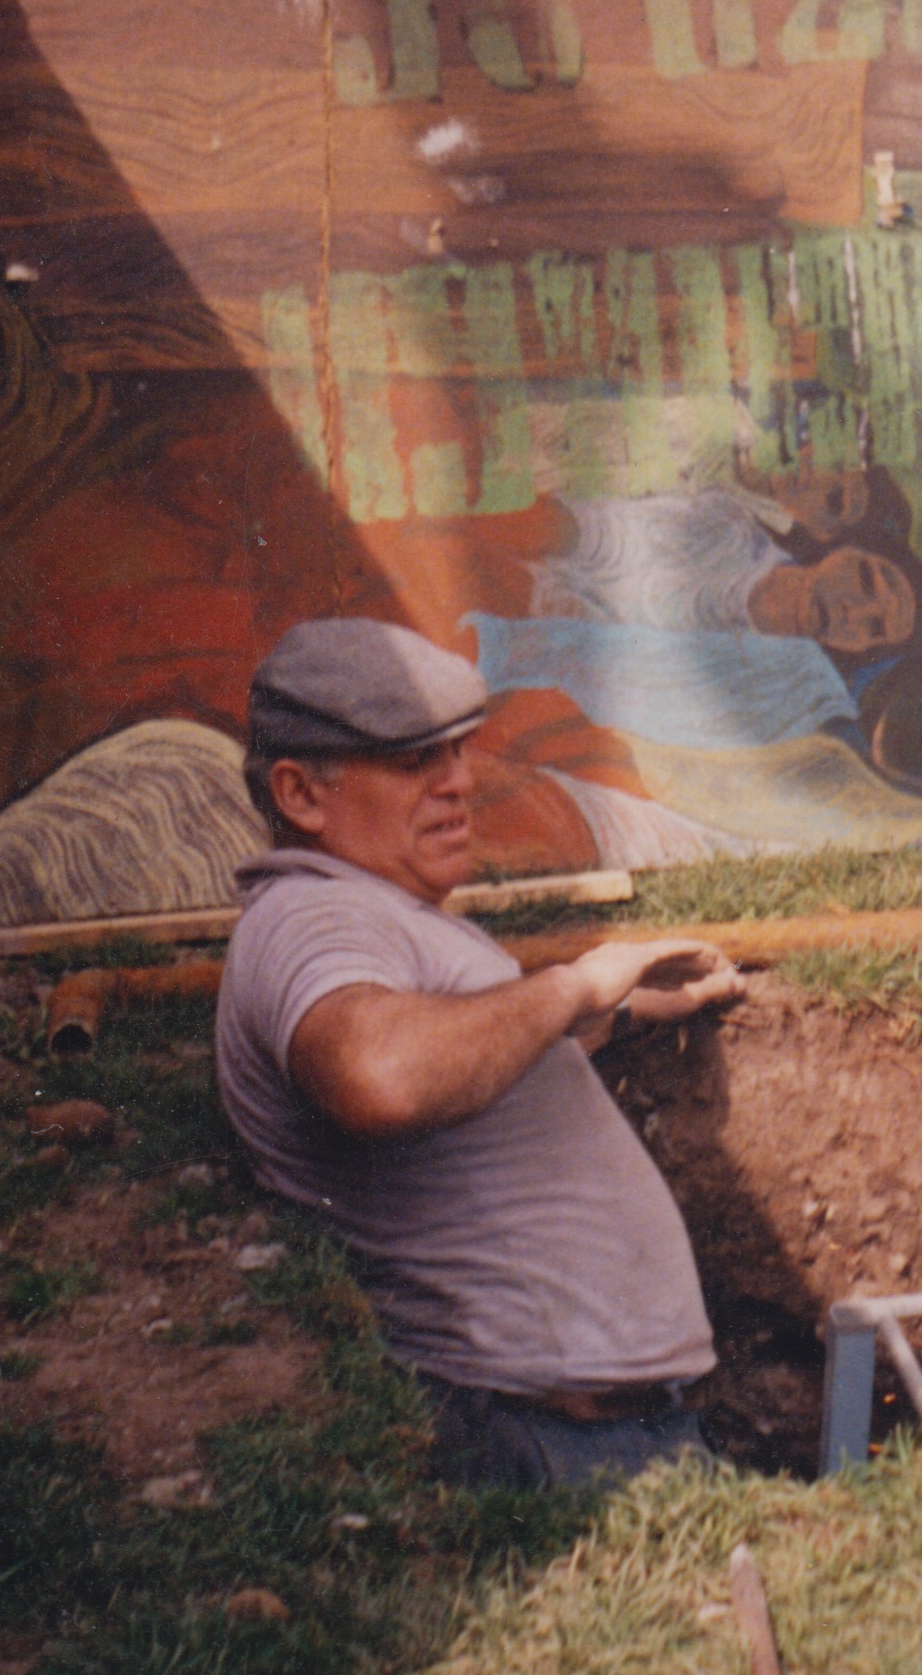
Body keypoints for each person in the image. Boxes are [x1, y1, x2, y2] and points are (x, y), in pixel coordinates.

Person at [214, 617, 748, 1489]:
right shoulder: (311, 919)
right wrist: (577, 983)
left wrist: (629, 1007)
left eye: (457, 752)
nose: (458, 782)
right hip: (542, 1447)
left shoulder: (367, 913)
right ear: (302, 796)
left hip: (586, 1435)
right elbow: (377, 1076)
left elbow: (469, 1042)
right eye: (412, 762)